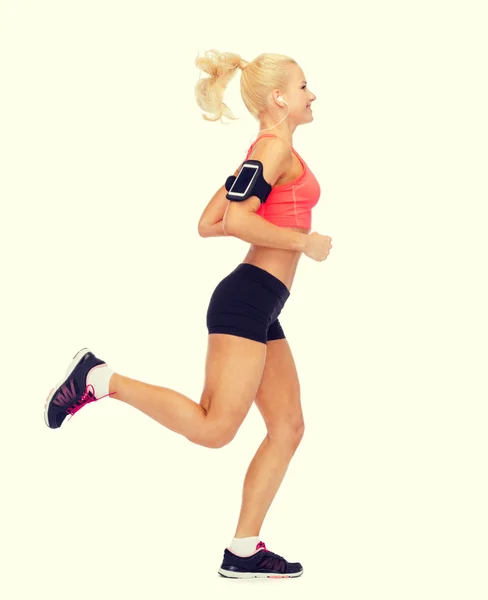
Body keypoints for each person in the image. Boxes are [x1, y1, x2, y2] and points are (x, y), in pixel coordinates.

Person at [43, 50, 333, 579]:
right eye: (305, 85)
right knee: (215, 428)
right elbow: (238, 222)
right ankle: (101, 378)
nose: (312, 94)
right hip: (247, 299)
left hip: (262, 302)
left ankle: (243, 551)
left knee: (288, 426)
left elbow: (209, 222)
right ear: (279, 97)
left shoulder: (262, 151)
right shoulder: (273, 149)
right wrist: (301, 241)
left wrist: (261, 228)